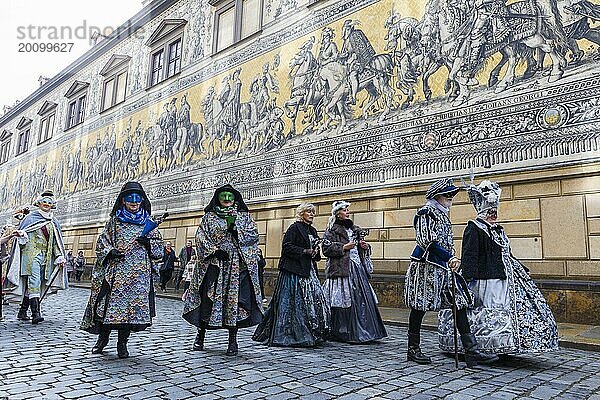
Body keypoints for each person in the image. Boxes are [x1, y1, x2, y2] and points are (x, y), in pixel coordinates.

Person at [438, 180, 559, 355]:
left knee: (505, 312)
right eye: (490, 211)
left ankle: (502, 345)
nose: (493, 214)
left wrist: (521, 268)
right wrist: (466, 280)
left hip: (502, 277)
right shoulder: (474, 228)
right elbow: (470, 255)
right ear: (482, 211)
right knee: (484, 313)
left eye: (494, 211)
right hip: (483, 279)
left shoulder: (498, 230)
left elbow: (506, 253)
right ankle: (481, 347)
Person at [404, 178, 498, 367]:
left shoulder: (442, 214)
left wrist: (450, 259)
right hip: (426, 268)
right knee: (420, 306)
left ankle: (471, 351)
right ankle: (413, 349)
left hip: (445, 269)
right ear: (436, 196)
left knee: (459, 303)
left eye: (452, 194)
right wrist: (448, 257)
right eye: (447, 194)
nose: (450, 197)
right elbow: (427, 241)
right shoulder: (426, 213)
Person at [81, 181, 164, 358]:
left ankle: (122, 343)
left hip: (138, 275)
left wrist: (148, 244)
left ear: (142, 201)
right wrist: (110, 252)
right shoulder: (115, 221)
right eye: (130, 199)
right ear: (123, 201)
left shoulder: (148, 223)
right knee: (108, 307)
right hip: (117, 273)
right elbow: (102, 242)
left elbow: (159, 249)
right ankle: (102, 340)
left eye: (137, 199)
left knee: (129, 311)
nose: (134, 202)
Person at [183, 184, 263, 356]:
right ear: (217, 198)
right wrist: (213, 250)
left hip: (235, 266)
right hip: (214, 264)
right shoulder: (209, 217)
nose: (227, 200)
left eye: (230, 196)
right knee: (207, 299)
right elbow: (201, 236)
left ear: (235, 198)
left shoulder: (244, 217)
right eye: (223, 196)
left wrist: (237, 232)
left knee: (234, 302)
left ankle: (232, 340)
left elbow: (253, 236)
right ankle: (200, 335)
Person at [253, 203, 329, 347]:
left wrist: (314, 252)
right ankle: (293, 333)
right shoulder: (294, 228)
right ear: (302, 214)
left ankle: (310, 332)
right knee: (293, 303)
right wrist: (305, 251)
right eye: (309, 212)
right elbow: (287, 247)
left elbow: (315, 252)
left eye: (313, 212)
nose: (312, 214)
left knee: (312, 302)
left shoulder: (312, 230)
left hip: (308, 270)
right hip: (294, 271)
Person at [321, 200, 387, 343]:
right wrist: (344, 247)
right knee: (344, 301)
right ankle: (342, 331)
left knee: (362, 299)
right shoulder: (331, 230)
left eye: (347, 210)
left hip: (357, 269)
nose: (348, 212)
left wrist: (364, 246)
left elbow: (360, 249)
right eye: (345, 210)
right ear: (337, 214)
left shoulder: (355, 228)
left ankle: (367, 331)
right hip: (342, 269)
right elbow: (325, 249)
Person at [4, 191, 67, 324]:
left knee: (36, 283)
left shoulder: (53, 221)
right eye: (45, 202)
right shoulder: (30, 218)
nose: (47, 204)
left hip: (46, 256)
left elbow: (55, 241)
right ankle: (36, 313)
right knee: (35, 281)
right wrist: (22, 236)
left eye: (50, 203)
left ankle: (22, 311)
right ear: (39, 203)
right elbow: (22, 236)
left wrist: (60, 255)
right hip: (31, 255)